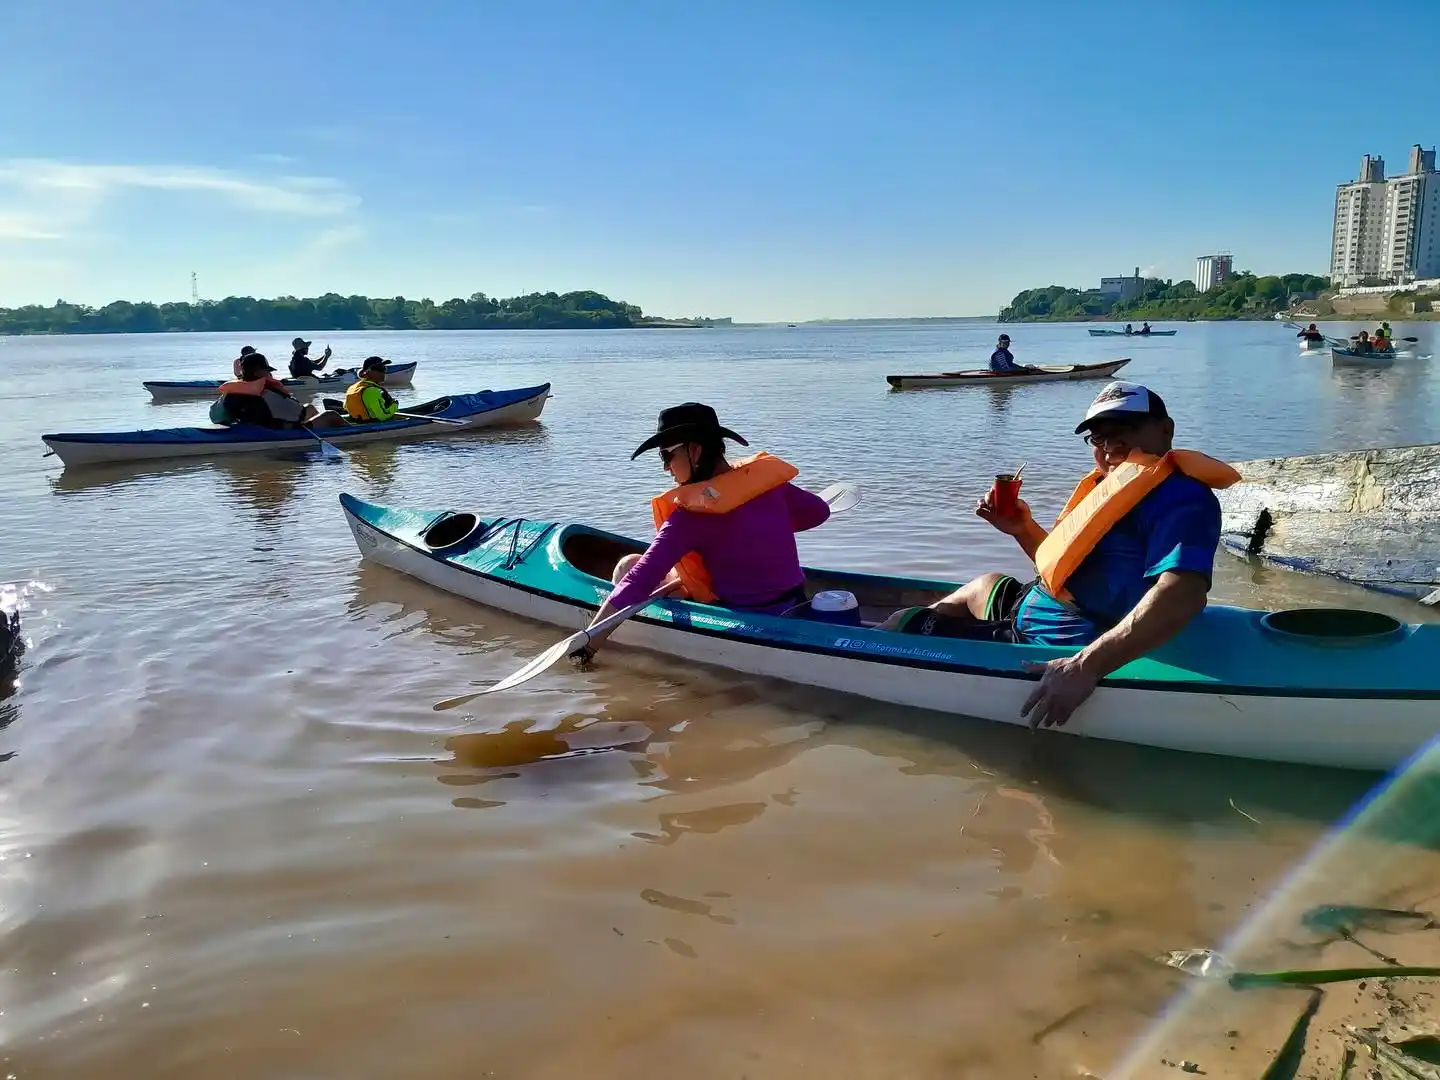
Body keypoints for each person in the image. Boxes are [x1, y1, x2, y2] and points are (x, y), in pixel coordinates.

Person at [880, 381, 1239, 729]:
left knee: (901, 623)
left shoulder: (1180, 498)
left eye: (1124, 429)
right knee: (984, 584)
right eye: (1099, 436)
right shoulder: (1114, 487)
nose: (1110, 444)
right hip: (1046, 606)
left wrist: (1086, 666)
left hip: (1057, 639)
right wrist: (1022, 528)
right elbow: (1072, 571)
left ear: (1165, 430)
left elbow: (1183, 593)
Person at [578, 403, 832, 657]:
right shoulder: (768, 486)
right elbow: (818, 512)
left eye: (666, 456)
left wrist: (589, 644)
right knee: (637, 563)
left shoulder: (689, 517)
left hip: (747, 617)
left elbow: (639, 580)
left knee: (627, 566)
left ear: (695, 450)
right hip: (796, 601)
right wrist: (764, 531)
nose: (665, 468)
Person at [212, 353, 311, 427]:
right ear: (258, 373)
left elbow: (213, 414)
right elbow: (299, 412)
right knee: (314, 410)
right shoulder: (267, 393)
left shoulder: (232, 391)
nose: (270, 374)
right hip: (272, 431)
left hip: (245, 427)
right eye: (267, 371)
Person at [343, 357, 400, 422]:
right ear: (367, 372)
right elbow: (382, 416)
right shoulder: (372, 391)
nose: (383, 372)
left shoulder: (352, 388)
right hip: (370, 425)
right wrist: (395, 405)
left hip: (357, 422)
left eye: (384, 368)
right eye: (379, 369)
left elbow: (346, 407)